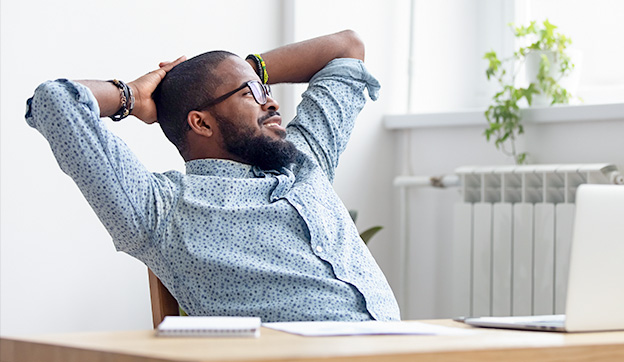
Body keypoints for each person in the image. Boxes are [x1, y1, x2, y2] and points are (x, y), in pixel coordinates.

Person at [26, 30, 400, 322]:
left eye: (263, 88)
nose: (270, 101)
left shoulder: (303, 159)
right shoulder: (160, 208)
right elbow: (53, 101)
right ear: (200, 122)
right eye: (250, 92)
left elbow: (347, 48)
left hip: (405, 348)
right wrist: (133, 96)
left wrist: (243, 67)